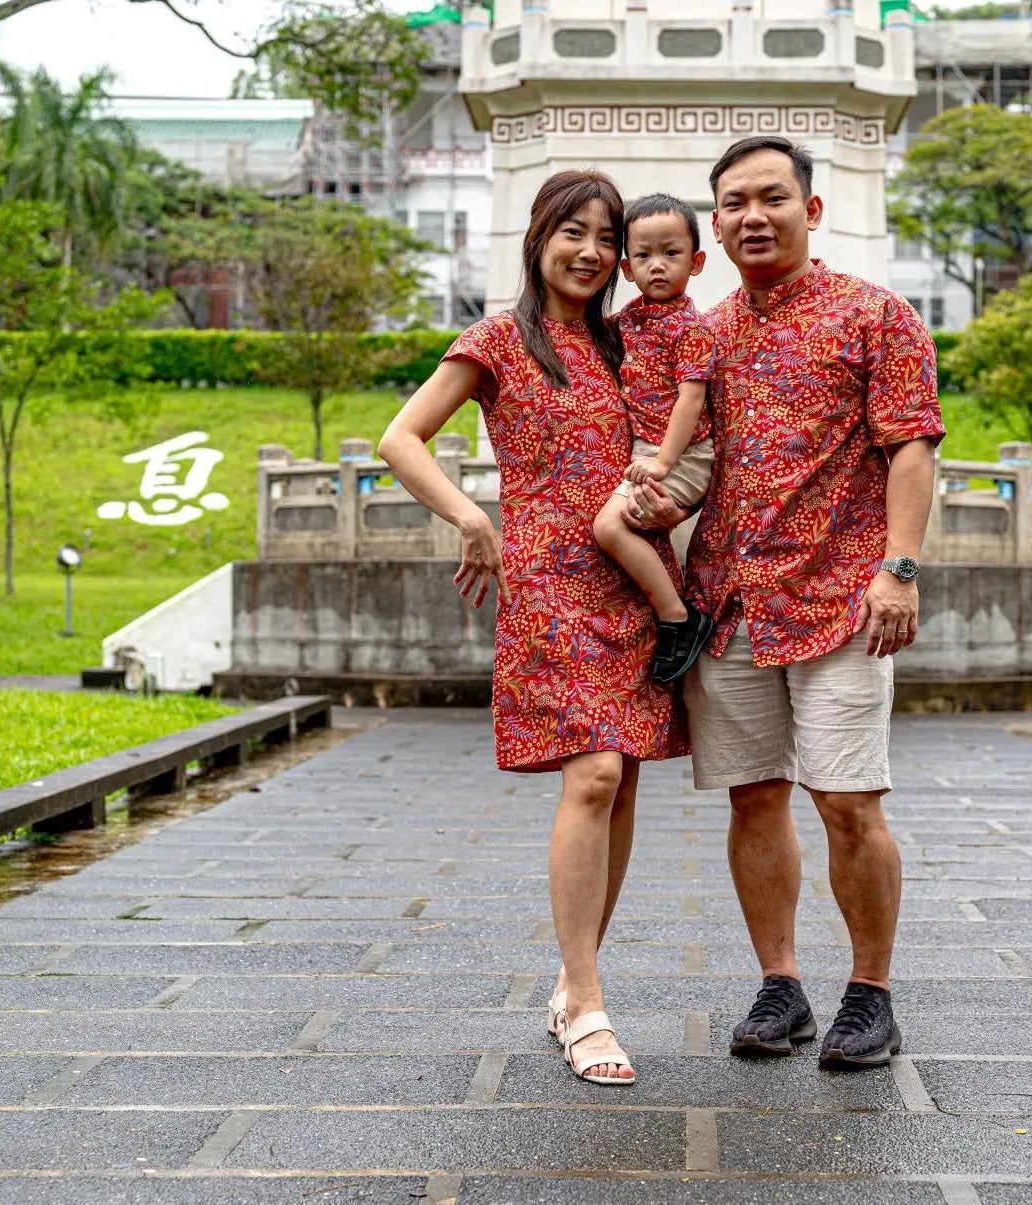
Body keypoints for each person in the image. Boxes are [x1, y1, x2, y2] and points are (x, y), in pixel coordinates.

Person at [630, 135, 943, 1070]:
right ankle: (780, 982)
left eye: (771, 198)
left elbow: (912, 449)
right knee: (754, 799)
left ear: (810, 210)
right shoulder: (707, 333)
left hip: (843, 599)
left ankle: (870, 992)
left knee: (848, 800)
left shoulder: (876, 317)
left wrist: (900, 568)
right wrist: (653, 498)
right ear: (713, 227)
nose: (751, 216)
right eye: (732, 203)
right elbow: (696, 462)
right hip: (728, 601)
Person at [380, 170, 686, 1088]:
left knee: (621, 779)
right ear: (538, 237)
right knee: (592, 770)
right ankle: (587, 1000)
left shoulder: (628, 340)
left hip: (635, 579)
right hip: (549, 581)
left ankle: (570, 978)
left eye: (607, 237)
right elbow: (399, 438)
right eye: (573, 233)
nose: (592, 252)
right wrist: (472, 519)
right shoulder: (499, 340)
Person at [592, 193, 719, 684]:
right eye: (643, 256)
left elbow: (690, 401)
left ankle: (679, 618)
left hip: (685, 454)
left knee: (610, 528)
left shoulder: (691, 328)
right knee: (613, 527)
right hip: (647, 452)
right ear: (626, 268)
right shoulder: (629, 321)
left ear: (697, 261)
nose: (657, 266)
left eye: (671, 253)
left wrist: (665, 461)